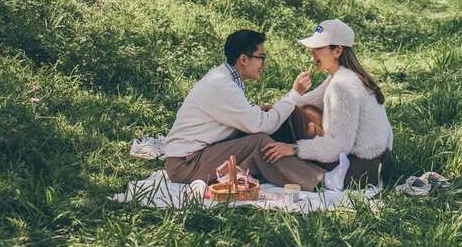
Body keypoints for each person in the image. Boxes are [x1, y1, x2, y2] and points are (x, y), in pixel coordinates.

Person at [163, 30, 343, 191]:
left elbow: (251, 118)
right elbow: (261, 126)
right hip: (186, 164)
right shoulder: (222, 86)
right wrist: (295, 93)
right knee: (259, 142)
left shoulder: (225, 77)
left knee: (270, 113)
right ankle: (323, 179)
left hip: (200, 153)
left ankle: (316, 161)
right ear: (244, 59)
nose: (264, 64)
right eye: (261, 57)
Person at [262, 19, 393, 188]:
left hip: (358, 173)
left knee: (285, 143)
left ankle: (262, 159)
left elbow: (339, 146)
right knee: (304, 110)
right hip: (378, 166)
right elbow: (303, 103)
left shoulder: (343, 86)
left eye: (318, 48)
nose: (312, 53)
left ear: (337, 51)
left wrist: (293, 148)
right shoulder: (342, 76)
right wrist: (272, 110)